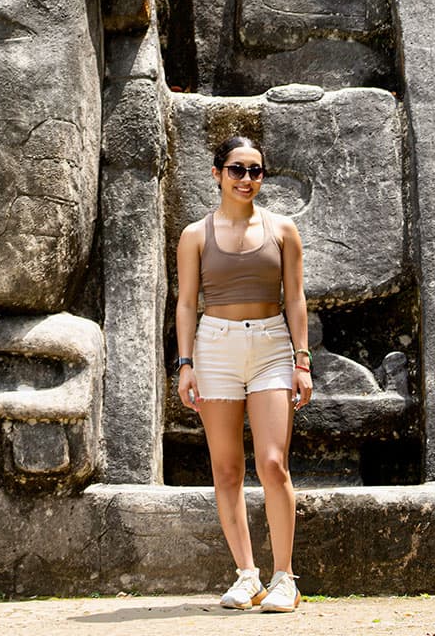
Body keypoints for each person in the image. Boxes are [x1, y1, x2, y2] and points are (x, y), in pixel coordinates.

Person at [175, 135, 312, 612]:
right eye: (237, 169)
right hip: (214, 347)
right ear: (217, 174)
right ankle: (247, 575)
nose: (247, 179)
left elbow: (295, 299)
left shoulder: (283, 230)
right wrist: (185, 363)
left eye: (256, 171)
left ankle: (283, 578)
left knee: (273, 463)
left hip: (272, 344)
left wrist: (302, 359)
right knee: (227, 468)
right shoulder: (195, 234)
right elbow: (187, 302)